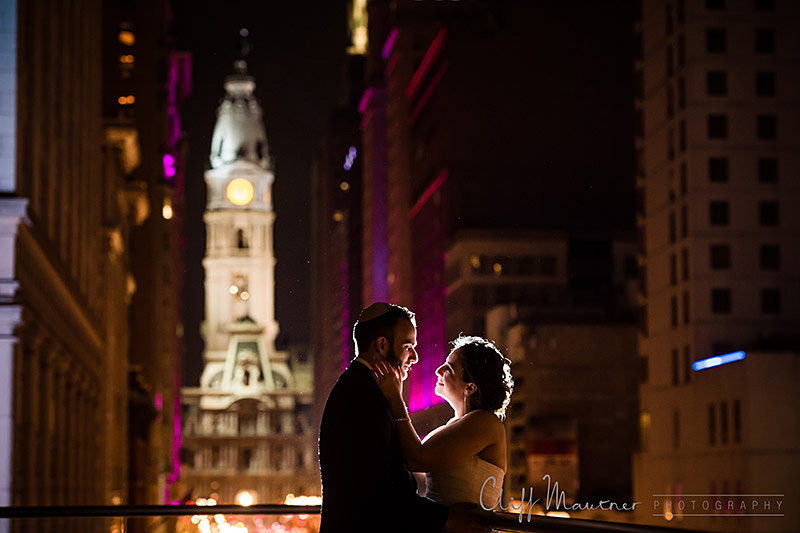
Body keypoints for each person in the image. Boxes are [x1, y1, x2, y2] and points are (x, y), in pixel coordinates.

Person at [318, 303, 489, 533]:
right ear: (382, 345)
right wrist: (444, 519)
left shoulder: (361, 386)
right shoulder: (364, 395)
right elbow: (379, 491)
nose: (416, 357)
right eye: (408, 346)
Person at [371, 335, 513, 509]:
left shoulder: (485, 422)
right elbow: (425, 485)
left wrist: (396, 399)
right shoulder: (456, 424)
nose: (438, 370)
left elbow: (417, 459)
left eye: (449, 369)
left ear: (470, 388)